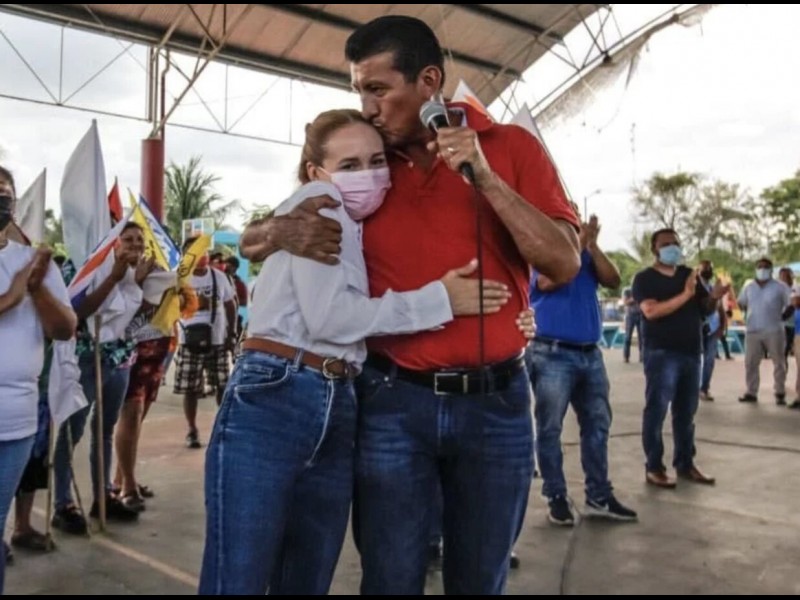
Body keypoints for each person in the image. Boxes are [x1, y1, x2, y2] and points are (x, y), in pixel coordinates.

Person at [239, 16, 580, 595]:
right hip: (391, 402)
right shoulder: (365, 165)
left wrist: (485, 178)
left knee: (481, 578)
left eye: (378, 89)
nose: (368, 107)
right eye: (359, 92)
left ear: (428, 82)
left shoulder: (511, 147)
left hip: (496, 406)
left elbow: (564, 263)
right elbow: (259, 234)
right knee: (390, 578)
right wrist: (275, 232)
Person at [199, 108, 517, 595]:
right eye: (349, 165)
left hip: (337, 396)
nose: (367, 175)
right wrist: (440, 300)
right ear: (316, 171)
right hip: (280, 391)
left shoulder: (356, 222)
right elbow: (331, 319)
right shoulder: (321, 204)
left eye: (376, 161)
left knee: (303, 574)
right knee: (241, 576)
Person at [528, 213, 637, 525]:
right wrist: (580, 243)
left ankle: (598, 496)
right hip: (551, 353)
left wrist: (592, 246)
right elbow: (548, 281)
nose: (574, 223)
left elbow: (613, 279)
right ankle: (556, 495)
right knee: (550, 428)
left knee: (597, 425)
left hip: (590, 353)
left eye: (575, 218)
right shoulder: (539, 253)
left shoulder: (587, 254)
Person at [0, 166, 76, 592]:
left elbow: (64, 328)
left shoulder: (32, 263)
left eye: (3, 194)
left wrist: (36, 287)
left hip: (16, 420)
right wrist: (13, 294)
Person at [52, 223, 154, 533]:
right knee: (73, 430)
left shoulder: (138, 270)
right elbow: (77, 311)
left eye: (139, 239)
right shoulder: (82, 265)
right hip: (87, 357)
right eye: (127, 239)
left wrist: (141, 283)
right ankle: (63, 503)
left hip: (120, 358)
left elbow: (137, 319)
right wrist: (113, 278)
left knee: (105, 430)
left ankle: (103, 495)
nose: (135, 245)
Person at [633, 229, 728, 488]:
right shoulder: (644, 279)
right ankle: (654, 467)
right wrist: (685, 295)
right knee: (657, 410)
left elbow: (704, 309)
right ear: (654, 249)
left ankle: (685, 463)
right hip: (662, 353)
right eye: (666, 244)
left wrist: (714, 297)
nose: (672, 248)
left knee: (686, 413)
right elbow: (651, 311)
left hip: (691, 352)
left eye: (676, 243)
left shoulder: (689, 275)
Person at [174, 239, 237, 448]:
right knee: (190, 388)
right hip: (188, 340)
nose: (202, 255)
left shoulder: (219, 276)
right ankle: (192, 429)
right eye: (196, 251)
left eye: (205, 251)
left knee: (222, 385)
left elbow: (230, 304)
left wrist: (231, 334)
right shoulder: (179, 277)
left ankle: (222, 427)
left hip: (217, 339)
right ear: (186, 255)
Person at [737, 258, 792, 404]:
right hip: (753, 330)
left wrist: (784, 317)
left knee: (779, 362)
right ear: (755, 269)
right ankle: (751, 392)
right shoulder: (748, 286)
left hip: (774, 330)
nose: (762, 270)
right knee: (750, 362)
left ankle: (780, 392)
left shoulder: (780, 287)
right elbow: (741, 303)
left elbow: (791, 303)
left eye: (766, 267)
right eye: (760, 267)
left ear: (771, 270)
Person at [698, 260, 726, 402]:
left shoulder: (712, 287)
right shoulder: (695, 286)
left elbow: (720, 308)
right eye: (705, 267)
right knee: (696, 360)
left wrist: (722, 326)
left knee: (709, 360)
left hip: (713, 328)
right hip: (698, 327)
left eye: (710, 267)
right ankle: (694, 387)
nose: (708, 270)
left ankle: (704, 388)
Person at [622, 285, 643, 363]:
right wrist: (635, 298)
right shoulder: (627, 290)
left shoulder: (641, 289)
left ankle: (642, 357)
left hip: (641, 315)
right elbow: (625, 302)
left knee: (642, 337)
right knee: (628, 337)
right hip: (630, 316)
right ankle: (626, 356)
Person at [778, 267, 795, 363]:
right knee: (783, 351)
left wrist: (782, 317)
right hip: (782, 324)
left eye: (785, 276)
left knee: (786, 349)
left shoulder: (794, 289)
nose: (782, 278)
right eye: (781, 276)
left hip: (792, 323)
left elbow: (792, 306)